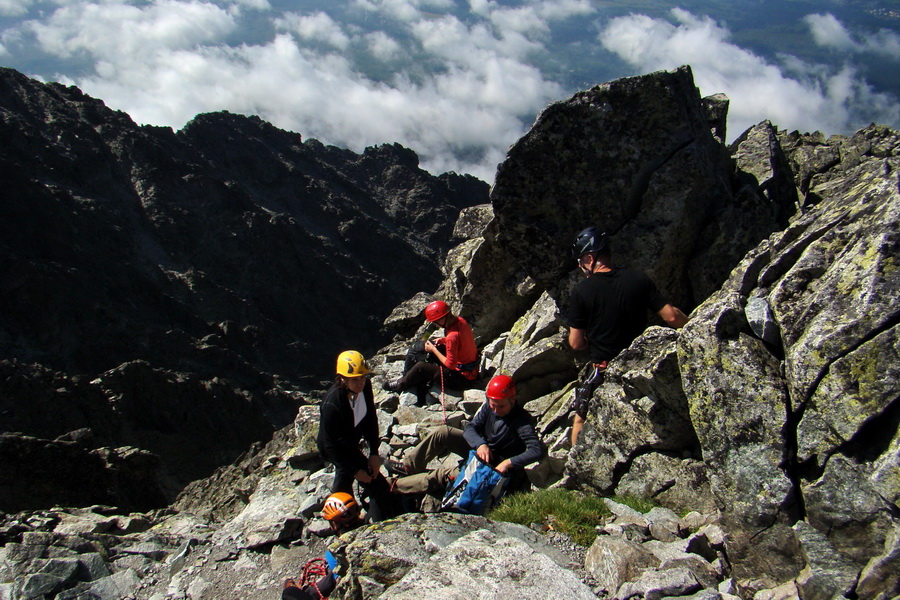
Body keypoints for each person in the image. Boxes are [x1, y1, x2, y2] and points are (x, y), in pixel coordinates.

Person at [567, 226, 689, 445]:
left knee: (579, 420)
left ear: (589, 257)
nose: (580, 267)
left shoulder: (581, 292)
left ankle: (575, 468)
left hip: (604, 368)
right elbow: (671, 317)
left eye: (580, 261)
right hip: (640, 364)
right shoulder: (638, 279)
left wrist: (590, 340)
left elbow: (576, 343)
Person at [385, 374, 543, 497]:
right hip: (482, 451)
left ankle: (393, 486)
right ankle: (409, 466)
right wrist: (480, 444)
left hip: (492, 466)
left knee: (445, 474)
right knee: (443, 432)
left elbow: (536, 450)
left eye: (500, 406)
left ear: (513, 400)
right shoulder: (490, 407)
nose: (495, 410)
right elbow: (471, 428)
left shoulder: (521, 421)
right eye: (492, 405)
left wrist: (508, 463)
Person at [316, 350, 393, 522]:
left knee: (373, 484)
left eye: (363, 377)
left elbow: (371, 419)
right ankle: (342, 522)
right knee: (350, 478)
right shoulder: (332, 404)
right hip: (335, 448)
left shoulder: (365, 389)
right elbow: (330, 446)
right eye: (355, 379)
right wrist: (356, 471)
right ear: (342, 379)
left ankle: (353, 520)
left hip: (350, 442)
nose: (360, 383)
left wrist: (374, 453)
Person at [383, 300, 479, 403]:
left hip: (460, 379)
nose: (436, 325)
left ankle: (401, 384)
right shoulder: (460, 321)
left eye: (435, 322)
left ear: (442, 319)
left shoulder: (452, 337)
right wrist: (443, 340)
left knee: (421, 366)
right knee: (422, 346)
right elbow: (460, 340)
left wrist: (434, 349)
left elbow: (451, 364)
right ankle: (408, 377)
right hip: (469, 370)